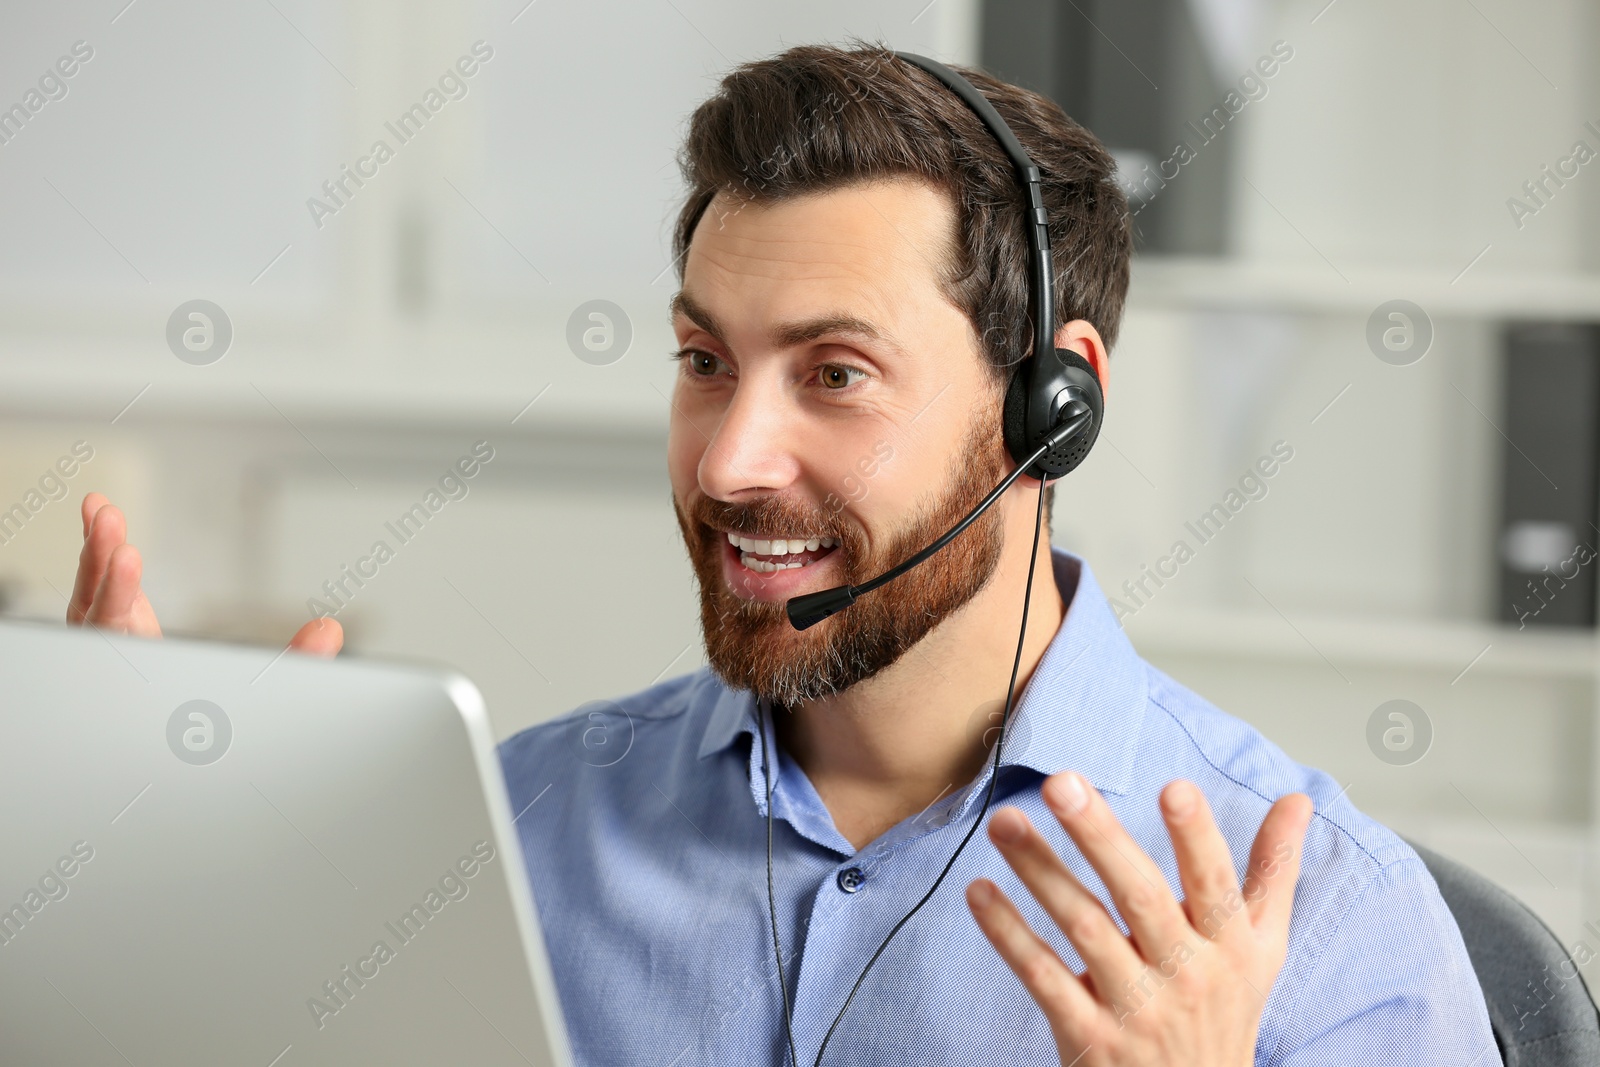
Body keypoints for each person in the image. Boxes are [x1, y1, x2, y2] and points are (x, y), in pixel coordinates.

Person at [67, 43, 1495, 1067]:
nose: (731, 460)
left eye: (835, 375)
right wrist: (140, 919)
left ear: (1051, 408)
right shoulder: (502, 844)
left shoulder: (1318, 928)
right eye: (704, 360)